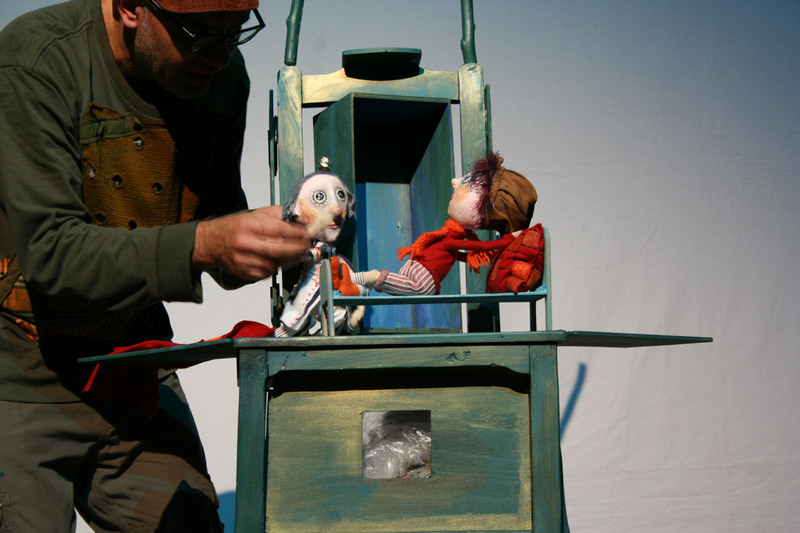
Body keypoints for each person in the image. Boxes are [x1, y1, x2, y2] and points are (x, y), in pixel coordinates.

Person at [0, 0, 310, 531]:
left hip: (132, 366)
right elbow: (52, 257)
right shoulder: (35, 61)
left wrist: (268, 239)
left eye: (235, 32)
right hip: (20, 373)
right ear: (130, 7)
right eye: (199, 34)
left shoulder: (220, 79)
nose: (219, 57)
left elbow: (214, 213)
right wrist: (206, 244)